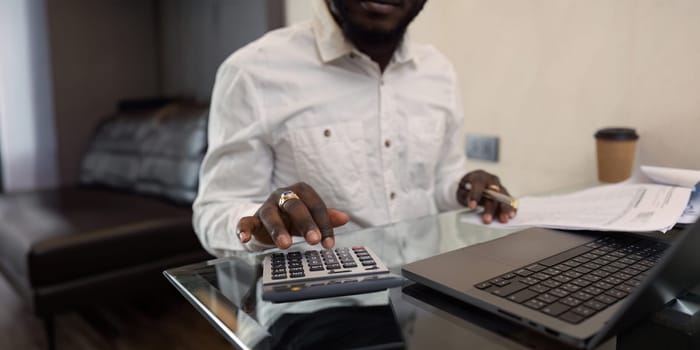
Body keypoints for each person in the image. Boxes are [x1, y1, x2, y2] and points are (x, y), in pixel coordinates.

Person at [193, 0, 516, 256]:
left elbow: (438, 182)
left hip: (425, 286)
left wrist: (463, 189)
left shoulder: (438, 71)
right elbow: (214, 212)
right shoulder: (252, 71)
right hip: (315, 304)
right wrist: (261, 223)